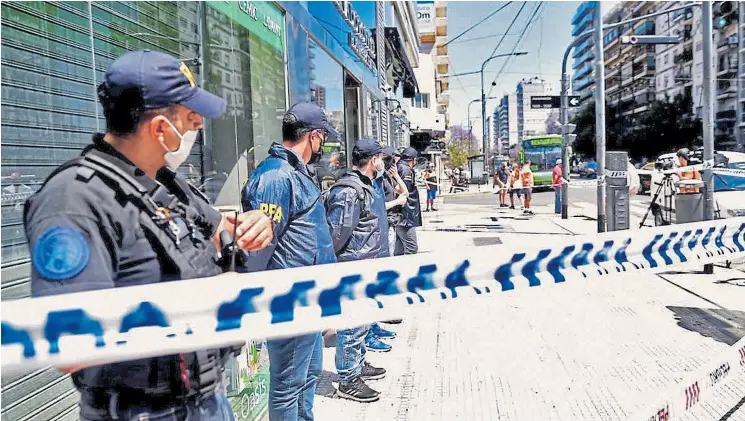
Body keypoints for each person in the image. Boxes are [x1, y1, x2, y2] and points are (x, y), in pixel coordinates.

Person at [24, 50, 274, 421]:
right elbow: (68, 348)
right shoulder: (73, 201)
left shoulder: (166, 184)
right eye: (191, 119)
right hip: (144, 412)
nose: (198, 128)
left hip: (205, 399)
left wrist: (255, 224)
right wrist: (205, 299)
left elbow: (222, 229)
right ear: (159, 128)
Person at [241, 102, 338, 421]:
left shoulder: (297, 173)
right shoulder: (274, 176)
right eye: (323, 138)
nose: (323, 145)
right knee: (287, 386)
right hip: (289, 301)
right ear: (313, 136)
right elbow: (258, 248)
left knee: (309, 375)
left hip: (310, 298)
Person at [325, 138, 397, 402]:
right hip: (353, 267)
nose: (383, 162)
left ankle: (358, 363)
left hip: (369, 265)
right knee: (352, 325)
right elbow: (336, 235)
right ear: (372, 159)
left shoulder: (368, 185)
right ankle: (347, 378)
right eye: (381, 157)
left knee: (362, 324)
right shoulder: (348, 190)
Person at [394, 147, 422, 255]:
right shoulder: (406, 170)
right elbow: (404, 190)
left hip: (401, 214)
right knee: (411, 247)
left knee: (399, 247)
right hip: (405, 215)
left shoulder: (400, 167)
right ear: (413, 159)